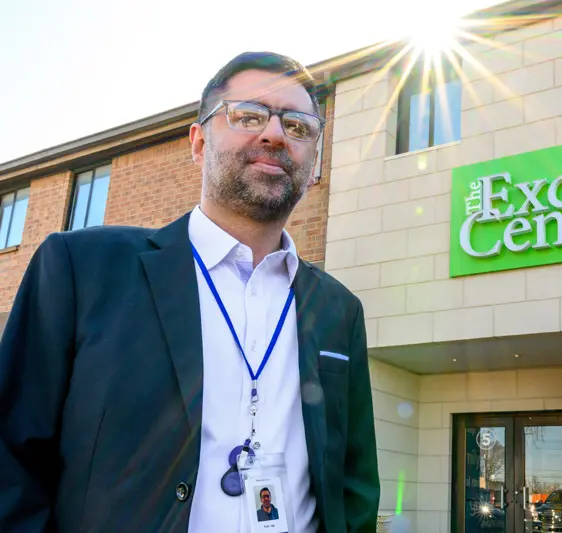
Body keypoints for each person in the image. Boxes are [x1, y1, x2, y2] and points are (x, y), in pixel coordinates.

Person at [0, 51, 380, 533]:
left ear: (315, 158)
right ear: (199, 142)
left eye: (298, 126)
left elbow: (354, 485)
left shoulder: (339, 309)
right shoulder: (81, 269)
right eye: (248, 116)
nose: (275, 134)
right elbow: (11, 463)